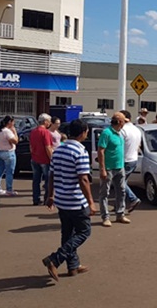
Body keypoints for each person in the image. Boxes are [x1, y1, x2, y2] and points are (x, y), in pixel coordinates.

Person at [42, 119, 96, 282]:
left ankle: (73, 265)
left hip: (62, 200)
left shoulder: (58, 150)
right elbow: (83, 179)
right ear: (83, 133)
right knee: (84, 231)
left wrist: (50, 196)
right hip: (75, 200)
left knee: (67, 233)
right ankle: (55, 259)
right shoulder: (80, 151)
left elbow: (51, 175)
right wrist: (91, 202)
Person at [98, 112, 130, 227]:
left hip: (119, 167)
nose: (124, 124)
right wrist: (102, 169)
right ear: (120, 122)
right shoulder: (106, 133)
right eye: (124, 122)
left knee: (121, 191)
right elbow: (101, 150)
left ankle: (120, 214)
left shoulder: (119, 133)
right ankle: (105, 217)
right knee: (104, 193)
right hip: (109, 168)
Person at [119, 110, 142, 214]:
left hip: (125, 160)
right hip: (134, 159)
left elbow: (118, 146)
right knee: (123, 182)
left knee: (120, 183)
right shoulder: (137, 129)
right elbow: (139, 145)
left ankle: (133, 199)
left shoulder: (122, 130)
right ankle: (119, 205)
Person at [30, 113, 54, 206]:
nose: (50, 123)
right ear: (45, 122)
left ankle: (36, 199)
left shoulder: (33, 131)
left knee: (36, 180)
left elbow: (31, 147)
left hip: (35, 158)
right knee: (48, 181)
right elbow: (48, 147)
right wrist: (52, 159)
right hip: (45, 159)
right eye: (49, 121)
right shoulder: (45, 132)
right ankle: (47, 199)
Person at [0, 115, 19, 196]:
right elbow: (15, 141)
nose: (14, 124)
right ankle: (9, 189)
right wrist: (14, 132)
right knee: (9, 172)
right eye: (13, 122)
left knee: (0, 171)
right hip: (8, 152)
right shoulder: (7, 131)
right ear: (9, 122)